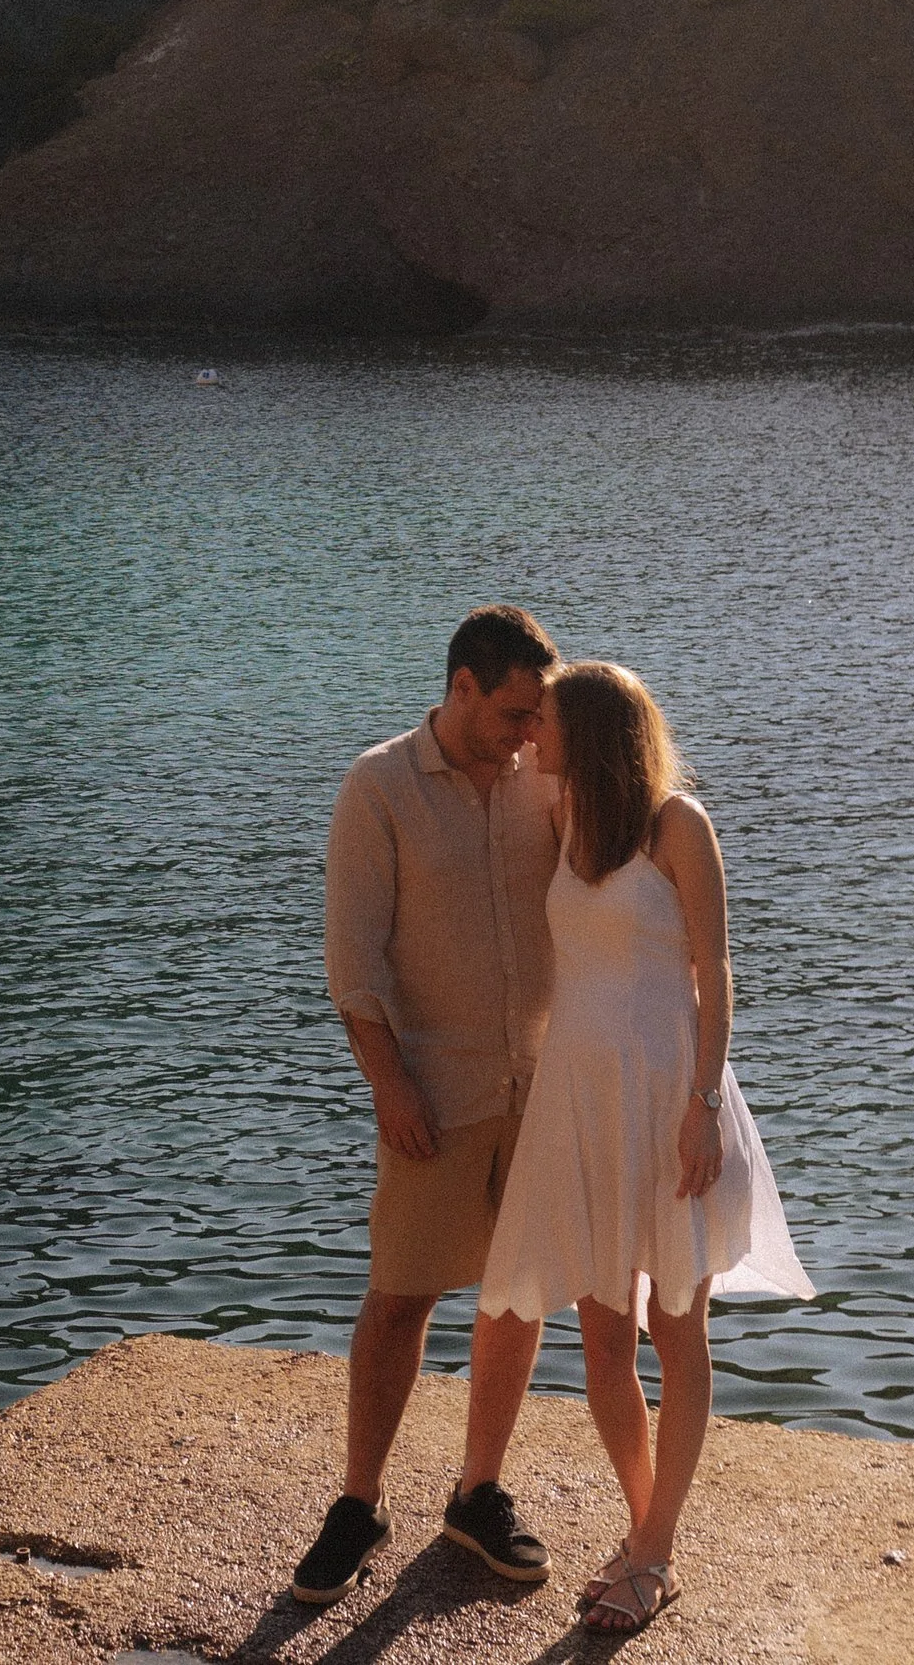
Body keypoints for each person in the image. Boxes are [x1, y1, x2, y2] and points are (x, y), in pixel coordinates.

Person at [458, 660, 812, 1635]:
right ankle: (648, 1531)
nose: (531, 734)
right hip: (581, 1102)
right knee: (605, 1337)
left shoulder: (676, 824)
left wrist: (704, 1101)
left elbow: (716, 969)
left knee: (675, 1326)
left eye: (545, 719)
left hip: (669, 1098)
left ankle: (653, 1549)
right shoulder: (564, 813)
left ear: (592, 730)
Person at [293, 603, 562, 1609]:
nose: (529, 731)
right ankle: (358, 1502)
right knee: (401, 1292)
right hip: (434, 1095)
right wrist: (388, 1082)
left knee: (518, 1289)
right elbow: (353, 958)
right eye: (514, 711)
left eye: (538, 714)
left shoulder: (545, 778)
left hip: (539, 1087)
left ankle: (477, 1491)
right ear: (461, 688)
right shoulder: (379, 785)